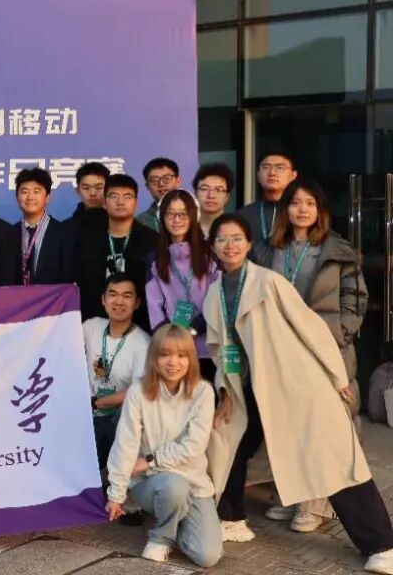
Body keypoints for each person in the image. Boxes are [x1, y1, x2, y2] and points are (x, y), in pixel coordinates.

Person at [204, 215, 393, 574]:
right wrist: (225, 390)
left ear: (248, 244)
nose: (229, 245)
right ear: (212, 246)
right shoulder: (215, 293)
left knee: (332, 459)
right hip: (248, 387)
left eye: (237, 238)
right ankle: (230, 518)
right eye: (222, 239)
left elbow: (311, 328)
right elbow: (222, 349)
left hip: (294, 383)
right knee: (229, 441)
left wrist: (336, 375)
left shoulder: (268, 282)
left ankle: (381, 544)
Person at [253, 180, 368, 533]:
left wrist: (337, 336)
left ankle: (316, 504)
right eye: (295, 202)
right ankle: (296, 495)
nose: (302, 209)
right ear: (285, 209)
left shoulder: (338, 250)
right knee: (289, 424)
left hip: (324, 349)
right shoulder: (266, 249)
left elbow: (355, 299)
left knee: (325, 426)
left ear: (320, 210)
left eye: (310, 203)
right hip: (279, 350)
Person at [106, 325, 221, 568]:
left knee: (207, 556)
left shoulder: (203, 392)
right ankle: (162, 536)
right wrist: (116, 493)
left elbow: (193, 447)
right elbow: (125, 443)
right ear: (154, 358)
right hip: (150, 482)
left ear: (191, 359)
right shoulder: (138, 392)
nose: (173, 362)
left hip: (192, 482)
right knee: (172, 486)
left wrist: (151, 460)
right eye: (164, 354)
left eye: (182, 355)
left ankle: (174, 516)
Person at [146, 190, 220, 381]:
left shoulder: (211, 254)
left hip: (208, 347)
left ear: (194, 216)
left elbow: (218, 300)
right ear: (162, 218)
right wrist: (172, 339)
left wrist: (193, 330)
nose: (176, 220)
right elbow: (154, 307)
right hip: (172, 352)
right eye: (170, 214)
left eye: (183, 214)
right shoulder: (154, 258)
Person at [83, 274, 150, 470]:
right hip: (87, 415)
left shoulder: (143, 343)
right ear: (103, 300)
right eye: (112, 294)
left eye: (127, 296)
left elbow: (137, 391)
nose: (118, 301)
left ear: (137, 303)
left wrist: (96, 402)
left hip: (118, 419)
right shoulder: (91, 327)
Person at [75, 174, 157, 329]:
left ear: (136, 203)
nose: (120, 202)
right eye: (114, 196)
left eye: (127, 196)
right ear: (105, 202)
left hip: (141, 326)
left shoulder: (152, 241)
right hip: (94, 326)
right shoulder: (86, 241)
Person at [12, 168, 72, 285]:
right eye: (24, 192)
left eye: (36, 191)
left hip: (53, 297)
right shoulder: (9, 234)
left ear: (47, 197)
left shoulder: (64, 233)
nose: (30, 197)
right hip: (17, 296)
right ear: (17, 197)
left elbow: (68, 278)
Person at [237, 150, 297, 242]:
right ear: (258, 175)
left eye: (280, 167)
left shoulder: (302, 212)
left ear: (293, 176)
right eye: (266, 167)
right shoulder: (244, 215)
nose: (272, 173)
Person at [137, 158, 181, 232]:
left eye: (167, 178)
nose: (161, 184)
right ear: (147, 186)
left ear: (178, 181)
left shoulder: (195, 214)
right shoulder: (140, 222)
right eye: (154, 180)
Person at [193, 163, 234, 238]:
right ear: (195, 194)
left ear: (227, 197)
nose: (211, 196)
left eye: (218, 190)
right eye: (204, 189)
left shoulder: (235, 230)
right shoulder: (185, 230)